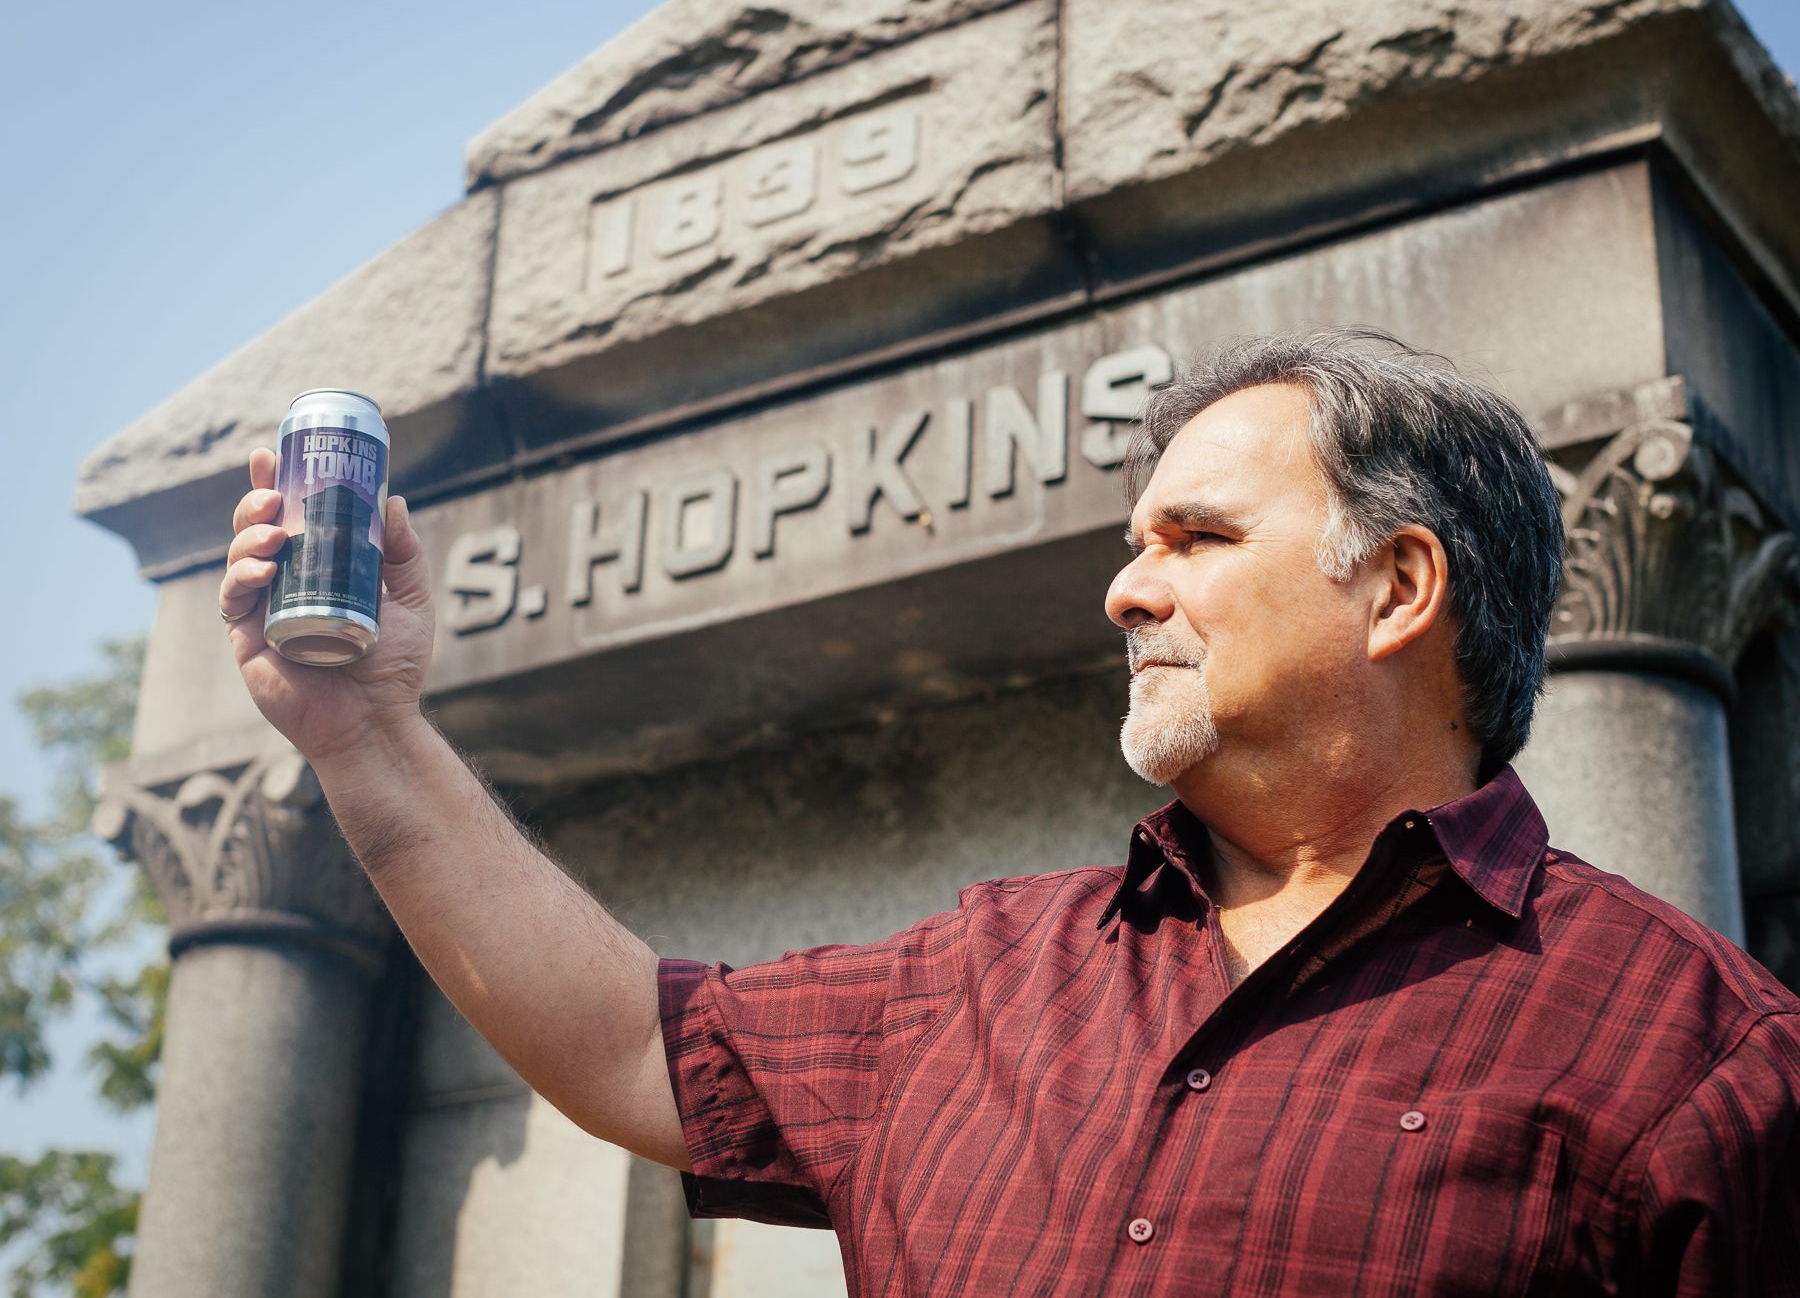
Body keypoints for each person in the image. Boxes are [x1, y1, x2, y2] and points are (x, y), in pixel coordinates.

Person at [219, 329, 1800, 1295]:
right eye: (1132, 538)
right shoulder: (977, 975)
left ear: (1398, 586)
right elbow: (633, 1045)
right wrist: (366, 735)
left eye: (1193, 536)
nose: (1125, 586)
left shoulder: (1709, 1056)